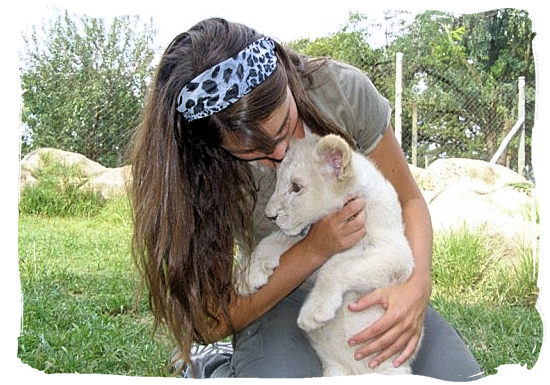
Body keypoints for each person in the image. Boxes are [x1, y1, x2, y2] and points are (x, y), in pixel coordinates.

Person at [129, 17, 483, 381]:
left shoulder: (342, 90)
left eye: (285, 127)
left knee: (461, 378)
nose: (282, 153)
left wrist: (416, 286)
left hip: (366, 281)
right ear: (216, 146)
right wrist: (316, 248)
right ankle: (214, 365)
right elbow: (211, 318)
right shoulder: (201, 166)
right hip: (278, 296)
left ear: (283, 74)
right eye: (255, 152)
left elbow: (409, 200)